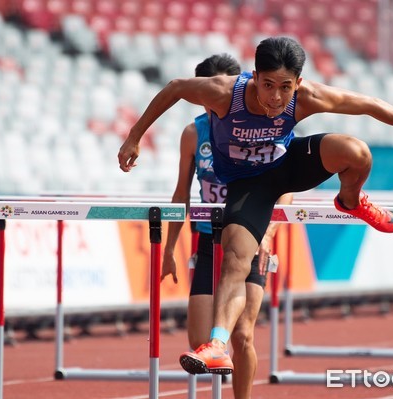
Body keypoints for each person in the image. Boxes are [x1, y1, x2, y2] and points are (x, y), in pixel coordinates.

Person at [118, 36, 393, 376]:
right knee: (235, 258)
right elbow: (174, 88)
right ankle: (217, 345)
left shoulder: (306, 97)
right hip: (249, 184)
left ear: (298, 83)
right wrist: (134, 136)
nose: (275, 97)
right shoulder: (223, 92)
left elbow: (368, 103)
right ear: (255, 76)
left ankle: (350, 199)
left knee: (357, 152)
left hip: (288, 166)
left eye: (285, 88)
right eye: (268, 85)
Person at [160, 53, 292, 399]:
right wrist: (170, 249)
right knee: (199, 340)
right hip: (207, 241)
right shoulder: (193, 133)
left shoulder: (265, 124)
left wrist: (267, 235)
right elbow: (181, 193)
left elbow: (285, 190)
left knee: (242, 335)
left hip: (249, 238)